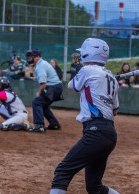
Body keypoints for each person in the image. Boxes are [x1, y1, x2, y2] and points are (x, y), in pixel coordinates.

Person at [50, 38, 119, 194]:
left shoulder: (88, 71)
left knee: (62, 172)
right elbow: (115, 111)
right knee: (94, 187)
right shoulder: (112, 79)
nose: (80, 58)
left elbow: (71, 85)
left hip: (96, 131)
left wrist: (76, 68)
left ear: (88, 54)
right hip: (108, 133)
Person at [27, 49, 63, 133]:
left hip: (53, 87)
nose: (30, 58)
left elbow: (43, 84)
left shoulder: (40, 66)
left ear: (38, 57)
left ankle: (40, 126)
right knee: (44, 105)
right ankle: (54, 124)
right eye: (29, 56)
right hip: (56, 87)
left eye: (32, 56)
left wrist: (39, 93)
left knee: (37, 102)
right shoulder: (41, 64)